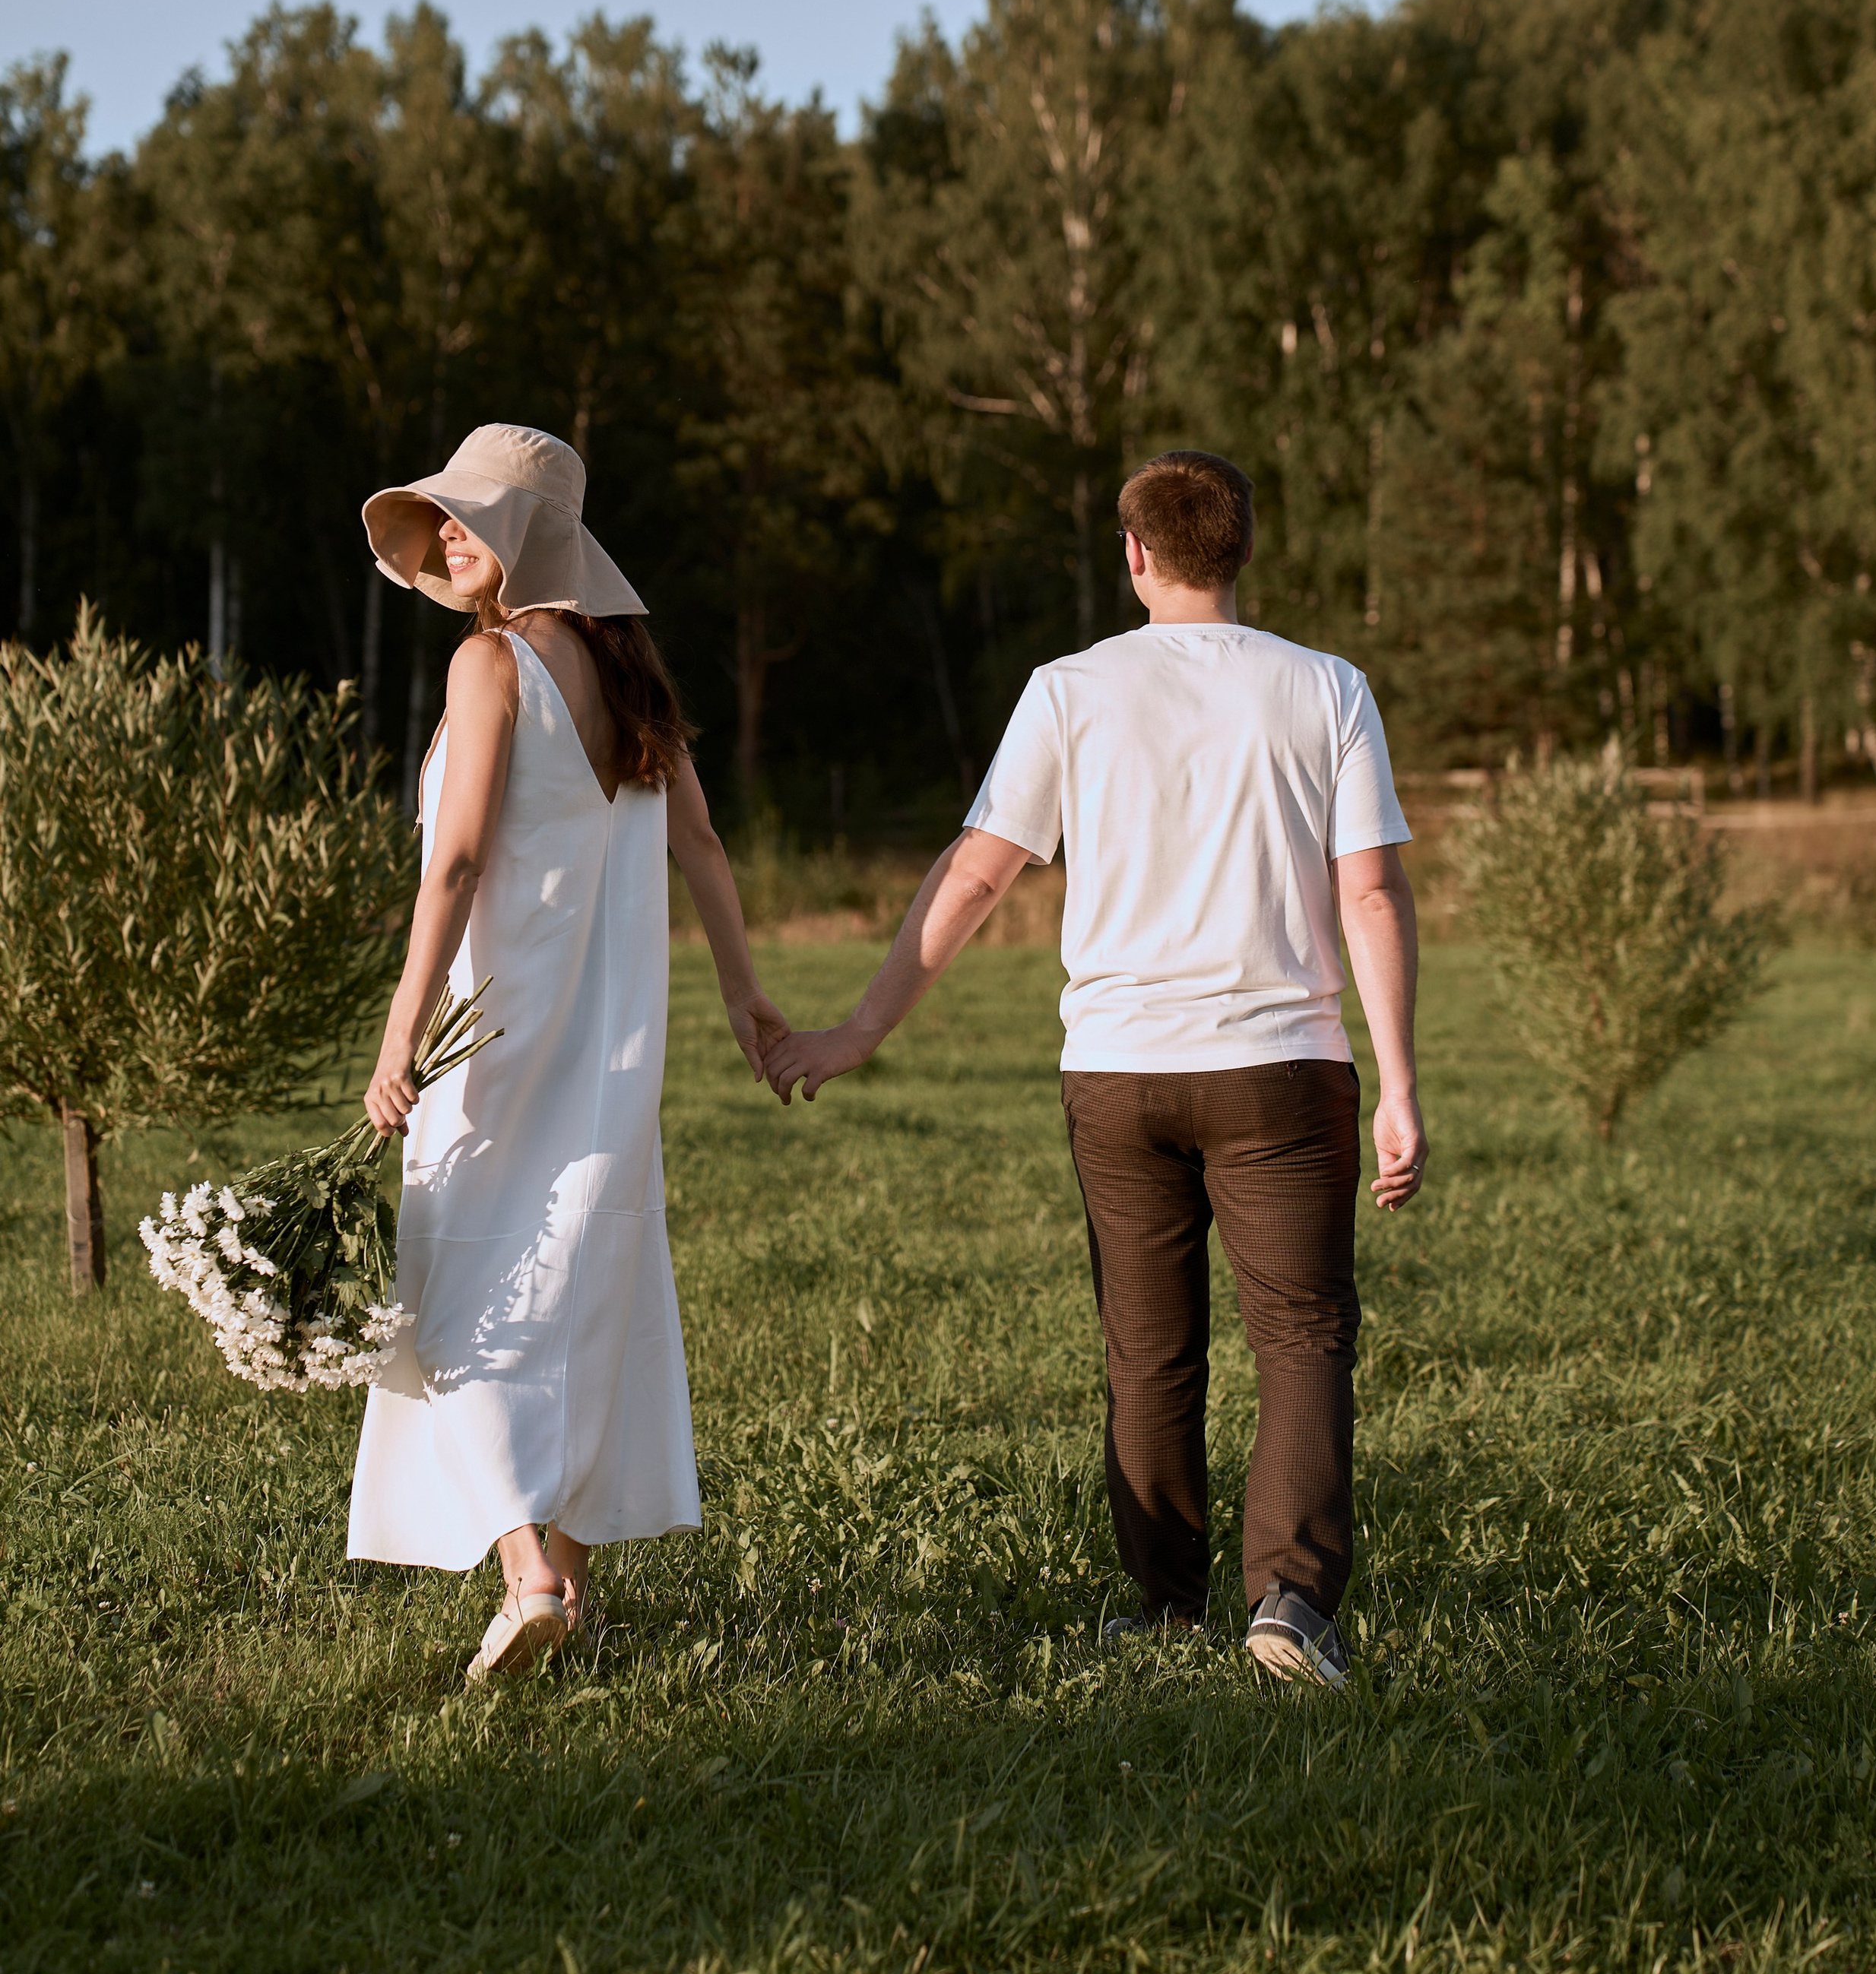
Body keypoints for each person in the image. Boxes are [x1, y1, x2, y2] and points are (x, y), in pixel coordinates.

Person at [764, 449, 1426, 1690]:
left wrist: (858, 1031)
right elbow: (1372, 891)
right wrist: (1397, 1081)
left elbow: (975, 873)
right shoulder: (1327, 688)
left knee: (1148, 1346)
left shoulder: (1068, 690)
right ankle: (1289, 1603)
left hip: (1117, 1073)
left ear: (1135, 555)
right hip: (1282, 1070)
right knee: (1302, 1336)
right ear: (1241, 548)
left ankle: (1168, 1605)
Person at [347, 423, 784, 1683]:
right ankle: (565, 1595)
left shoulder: (489, 666)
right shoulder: (630, 673)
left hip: (492, 1041)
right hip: (611, 1053)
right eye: (441, 520)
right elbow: (700, 848)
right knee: (589, 1292)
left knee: (453, 1306)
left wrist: (400, 1032)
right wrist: (748, 999)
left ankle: (529, 1575)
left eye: (468, 518)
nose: (445, 538)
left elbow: (460, 861)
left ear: (533, 539)